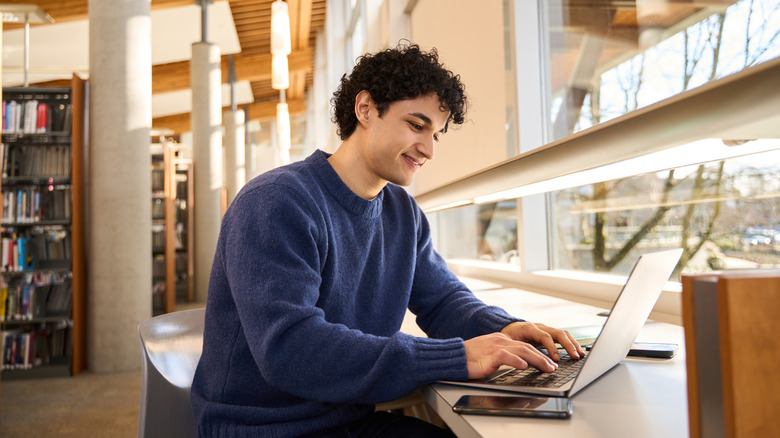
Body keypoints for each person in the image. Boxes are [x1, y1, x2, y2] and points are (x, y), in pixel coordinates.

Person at [190, 42, 585, 437]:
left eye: (436, 134)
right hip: (264, 429)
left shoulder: (402, 212)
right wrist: (456, 356)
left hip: (347, 421)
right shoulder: (276, 202)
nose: (428, 149)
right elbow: (290, 349)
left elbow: (443, 301)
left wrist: (505, 329)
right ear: (365, 109)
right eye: (417, 125)